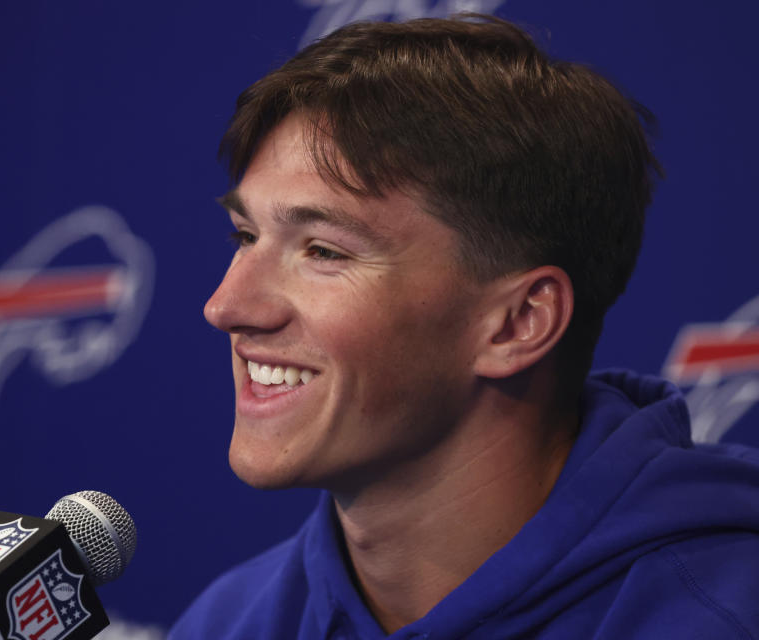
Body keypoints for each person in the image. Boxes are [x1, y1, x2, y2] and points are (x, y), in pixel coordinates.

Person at [171, 14, 759, 639]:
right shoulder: (227, 622)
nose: (226, 306)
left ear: (517, 323)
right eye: (245, 236)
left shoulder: (722, 618)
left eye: (323, 251)